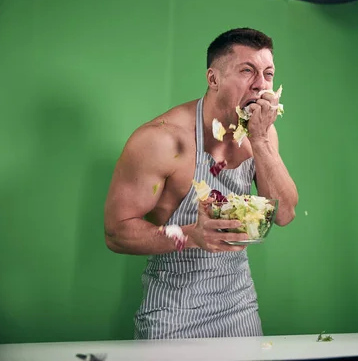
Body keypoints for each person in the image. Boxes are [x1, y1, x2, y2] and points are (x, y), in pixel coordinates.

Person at [103, 27, 299, 340]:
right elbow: (116, 233)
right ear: (213, 79)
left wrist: (259, 137)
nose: (261, 84)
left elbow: (285, 213)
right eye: (247, 70)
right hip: (171, 315)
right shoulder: (161, 140)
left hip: (240, 309)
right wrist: (190, 235)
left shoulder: (262, 133)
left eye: (268, 73)